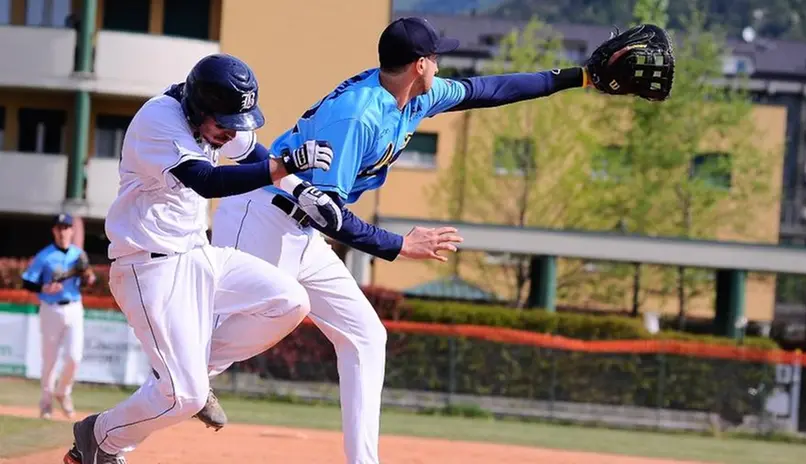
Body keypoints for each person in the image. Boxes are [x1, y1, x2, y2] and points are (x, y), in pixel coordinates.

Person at [203, 17, 675, 464]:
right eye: (436, 56)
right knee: (269, 316)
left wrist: (581, 77)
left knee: (367, 337)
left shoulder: (413, 95)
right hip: (263, 212)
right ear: (419, 65)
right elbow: (326, 213)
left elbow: (488, 90)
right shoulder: (357, 116)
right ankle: (182, 379)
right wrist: (397, 245)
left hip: (299, 227)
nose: (441, 64)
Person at [62, 53, 342, 464]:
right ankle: (100, 436)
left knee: (291, 301)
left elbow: (252, 155)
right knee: (184, 397)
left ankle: (201, 370)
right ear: (198, 108)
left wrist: (299, 188)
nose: (231, 134)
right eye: (225, 124)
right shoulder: (158, 120)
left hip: (198, 255)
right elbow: (207, 181)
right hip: (148, 268)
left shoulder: (213, 120)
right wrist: (285, 167)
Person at [21, 213, 96, 420]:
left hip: (74, 307)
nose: (63, 231)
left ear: (72, 231)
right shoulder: (45, 256)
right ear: (54, 231)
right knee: (50, 359)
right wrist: (44, 287)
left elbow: (88, 277)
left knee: (74, 357)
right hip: (50, 308)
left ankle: (63, 392)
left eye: (66, 227)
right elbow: (27, 281)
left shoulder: (77, 254)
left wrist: (89, 277)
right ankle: (46, 403)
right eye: (59, 227)